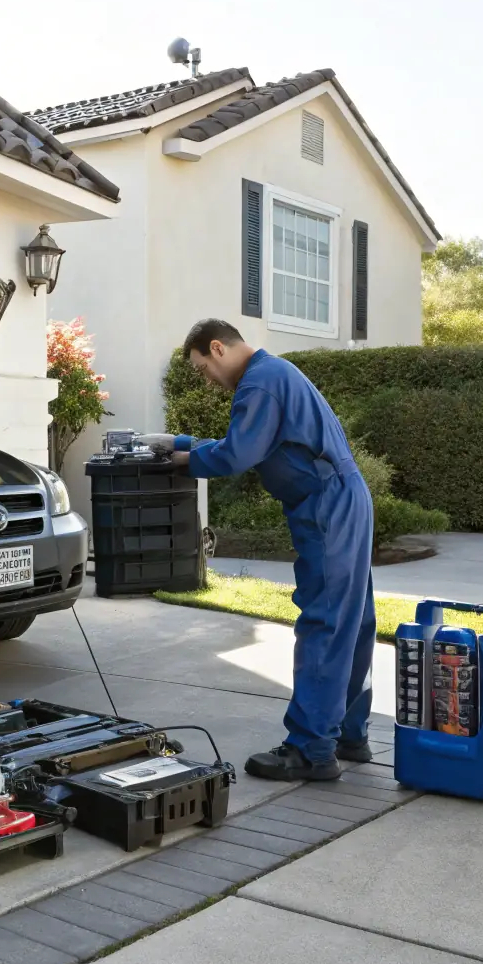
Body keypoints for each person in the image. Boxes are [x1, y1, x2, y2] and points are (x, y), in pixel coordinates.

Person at [140, 319, 375, 781]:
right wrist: (181, 442)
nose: (206, 377)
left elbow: (238, 454)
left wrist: (183, 459)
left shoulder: (259, 383)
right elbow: (254, 443)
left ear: (217, 348)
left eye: (203, 367)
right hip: (343, 498)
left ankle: (310, 749)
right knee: (353, 620)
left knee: (326, 620)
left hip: (327, 506)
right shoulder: (274, 374)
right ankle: (348, 733)